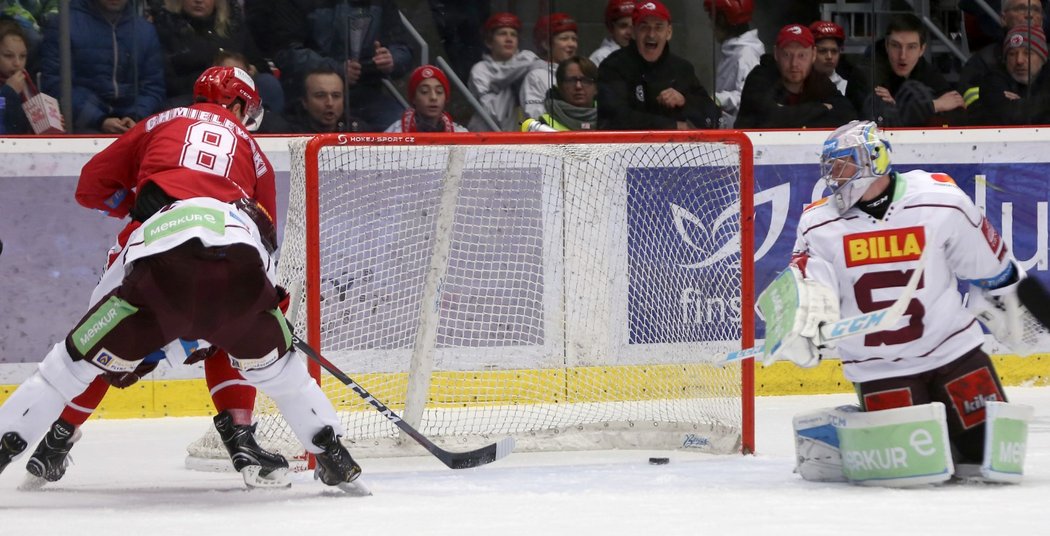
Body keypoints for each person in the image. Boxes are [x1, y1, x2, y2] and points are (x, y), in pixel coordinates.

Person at [0, 66, 365, 493]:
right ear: (240, 105)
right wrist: (271, 316)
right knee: (279, 370)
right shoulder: (255, 152)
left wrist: (135, 203)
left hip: (155, 257)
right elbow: (264, 241)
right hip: (234, 260)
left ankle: (39, 439)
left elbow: (91, 186)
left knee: (75, 360)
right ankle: (328, 452)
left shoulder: (160, 122)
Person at [779, 120, 1024, 482]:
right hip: (879, 366)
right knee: (913, 473)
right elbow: (807, 283)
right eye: (830, 167)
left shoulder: (940, 200)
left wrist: (1005, 298)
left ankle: (858, 433)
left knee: (989, 460)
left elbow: (993, 265)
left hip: (952, 351)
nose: (835, 176)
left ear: (873, 160)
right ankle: (845, 432)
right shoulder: (818, 223)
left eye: (843, 163)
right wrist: (803, 322)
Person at [269, 0, 414, 131]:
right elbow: (286, 51)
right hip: (307, 95)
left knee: (399, 128)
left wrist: (392, 60)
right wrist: (336, 70)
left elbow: (402, 46)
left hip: (366, 93)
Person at [38, 0, 166, 134]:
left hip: (134, 126)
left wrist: (137, 116)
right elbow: (56, 84)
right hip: (81, 126)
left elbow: (153, 86)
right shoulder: (64, 24)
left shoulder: (145, 30)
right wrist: (98, 119)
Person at [596, 0, 720, 130]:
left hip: (676, 149)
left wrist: (685, 102)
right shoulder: (613, 66)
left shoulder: (682, 69)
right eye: (644, 27)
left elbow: (713, 116)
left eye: (658, 27)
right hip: (626, 149)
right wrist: (672, 126)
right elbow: (614, 118)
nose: (651, 34)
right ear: (633, 32)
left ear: (669, 32)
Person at [149, 0, 284, 115]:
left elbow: (261, 65)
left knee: (267, 83)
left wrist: (250, 72)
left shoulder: (233, 26)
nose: (198, 0)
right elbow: (166, 80)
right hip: (192, 98)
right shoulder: (165, 29)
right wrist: (212, 80)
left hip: (238, 96)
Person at [735, 24, 855, 129]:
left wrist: (787, 114)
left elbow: (847, 115)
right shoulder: (760, 77)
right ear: (776, 54)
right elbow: (769, 118)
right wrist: (820, 108)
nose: (794, 63)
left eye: (802, 55)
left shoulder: (817, 79)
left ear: (813, 55)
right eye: (787, 55)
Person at [862, 13, 966, 127]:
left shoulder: (925, 70)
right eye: (896, 46)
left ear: (922, 50)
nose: (903, 56)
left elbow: (955, 108)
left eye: (911, 47)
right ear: (887, 45)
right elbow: (878, 122)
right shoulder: (869, 72)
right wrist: (933, 106)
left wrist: (901, 110)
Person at [960, 0, 1044, 109]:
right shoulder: (984, 60)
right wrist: (995, 98)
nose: (1030, 15)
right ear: (1004, 19)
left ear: (1041, 20)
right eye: (1020, 8)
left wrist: (1024, 104)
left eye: (1035, 10)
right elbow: (966, 98)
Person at [466, 12, 539, 131]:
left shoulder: (528, 58)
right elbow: (492, 113)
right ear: (489, 42)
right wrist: (515, 80)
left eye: (513, 35)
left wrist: (500, 83)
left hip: (523, 137)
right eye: (502, 34)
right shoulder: (480, 70)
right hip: (487, 139)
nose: (509, 39)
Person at [968, 25, 1050, 124]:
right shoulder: (992, 80)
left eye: (1027, 53)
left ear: (1043, 58)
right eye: (1012, 54)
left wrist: (1020, 104)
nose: (1019, 60)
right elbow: (1005, 116)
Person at [704, 0, 763, 128]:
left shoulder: (746, 54)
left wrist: (717, 99)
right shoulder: (734, 49)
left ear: (722, 21)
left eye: (712, 18)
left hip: (740, 131)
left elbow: (748, 96)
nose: (710, 25)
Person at [520, 12, 578, 120]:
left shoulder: (578, 73)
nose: (572, 44)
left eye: (574, 39)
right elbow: (534, 117)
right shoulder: (536, 77)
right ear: (546, 44)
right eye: (564, 39)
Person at [521, 55, 598, 131]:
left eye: (585, 80)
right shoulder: (543, 125)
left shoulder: (608, 120)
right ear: (560, 86)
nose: (578, 86)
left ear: (597, 87)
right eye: (571, 80)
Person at [284, 67, 370, 133]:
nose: (330, 103)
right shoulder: (285, 132)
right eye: (320, 96)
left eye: (336, 96)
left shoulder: (357, 130)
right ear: (305, 102)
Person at [809, 20, 868, 116]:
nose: (829, 56)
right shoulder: (798, 83)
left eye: (834, 51)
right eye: (823, 51)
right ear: (811, 52)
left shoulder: (851, 86)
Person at [385, 64, 466, 133]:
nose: (433, 97)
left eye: (439, 91)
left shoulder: (460, 133)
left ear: (446, 98)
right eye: (424, 91)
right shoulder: (395, 133)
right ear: (413, 98)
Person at [0, 19, 31, 134]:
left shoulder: (27, 84)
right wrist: (8, 93)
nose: (17, 63)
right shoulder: (11, 89)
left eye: (23, 56)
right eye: (8, 56)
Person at [589, 0, 634, 67]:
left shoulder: (643, 54)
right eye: (623, 26)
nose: (629, 32)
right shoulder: (600, 57)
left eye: (633, 26)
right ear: (611, 27)